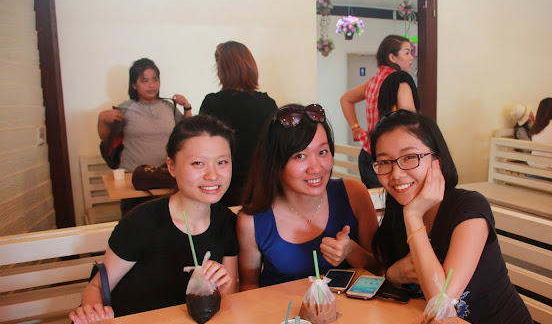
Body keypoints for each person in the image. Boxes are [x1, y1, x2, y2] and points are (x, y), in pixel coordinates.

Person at [369, 110, 540, 324]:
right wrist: (393, 273)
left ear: (436, 160)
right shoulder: (396, 215)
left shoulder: (469, 209)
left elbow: (441, 302)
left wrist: (414, 216)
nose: (396, 174)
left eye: (409, 157)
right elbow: (382, 270)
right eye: (384, 162)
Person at [70, 115, 238, 324]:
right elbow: (96, 288)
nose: (213, 175)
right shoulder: (141, 222)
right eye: (198, 163)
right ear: (171, 166)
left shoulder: (227, 222)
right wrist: (92, 311)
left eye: (222, 162)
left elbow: (228, 296)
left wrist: (223, 288)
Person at [237, 104, 380, 290]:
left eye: (322, 152)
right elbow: (249, 287)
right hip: (283, 309)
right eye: (300, 156)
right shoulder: (252, 222)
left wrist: (351, 251)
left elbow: (378, 269)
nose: (316, 168)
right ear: (275, 162)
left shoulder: (354, 194)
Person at [97, 58, 193, 215]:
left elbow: (187, 133)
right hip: (133, 178)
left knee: (165, 221)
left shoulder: (169, 107)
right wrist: (102, 118)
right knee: (135, 222)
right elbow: (106, 139)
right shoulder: (125, 108)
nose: (151, 85)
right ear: (134, 85)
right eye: (145, 80)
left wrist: (187, 108)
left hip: (164, 176)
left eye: (155, 79)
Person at [199, 41, 277, 207]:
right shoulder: (267, 104)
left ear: (223, 69)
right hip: (261, 189)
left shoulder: (213, 103)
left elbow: (202, 149)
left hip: (223, 190)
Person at [340, 35, 416, 188]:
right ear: (392, 57)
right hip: (390, 157)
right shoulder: (399, 82)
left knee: (374, 201)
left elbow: (346, 99)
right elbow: (410, 123)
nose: (411, 57)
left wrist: (355, 127)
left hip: (368, 153)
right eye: (407, 52)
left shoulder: (373, 81)